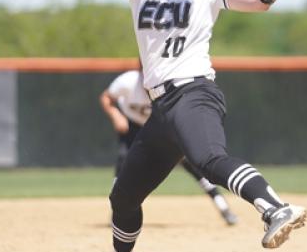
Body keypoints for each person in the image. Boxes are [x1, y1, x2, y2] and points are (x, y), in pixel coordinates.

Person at [95, 0, 307, 252]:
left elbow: (260, 1)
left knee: (210, 160)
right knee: (122, 196)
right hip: (162, 110)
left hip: (194, 92)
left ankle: (275, 208)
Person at [100, 68, 238, 225]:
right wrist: (116, 115)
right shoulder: (128, 81)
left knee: (195, 165)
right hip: (133, 127)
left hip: (163, 125)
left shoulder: (170, 83)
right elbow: (106, 98)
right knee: (124, 162)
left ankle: (224, 208)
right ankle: (117, 214)